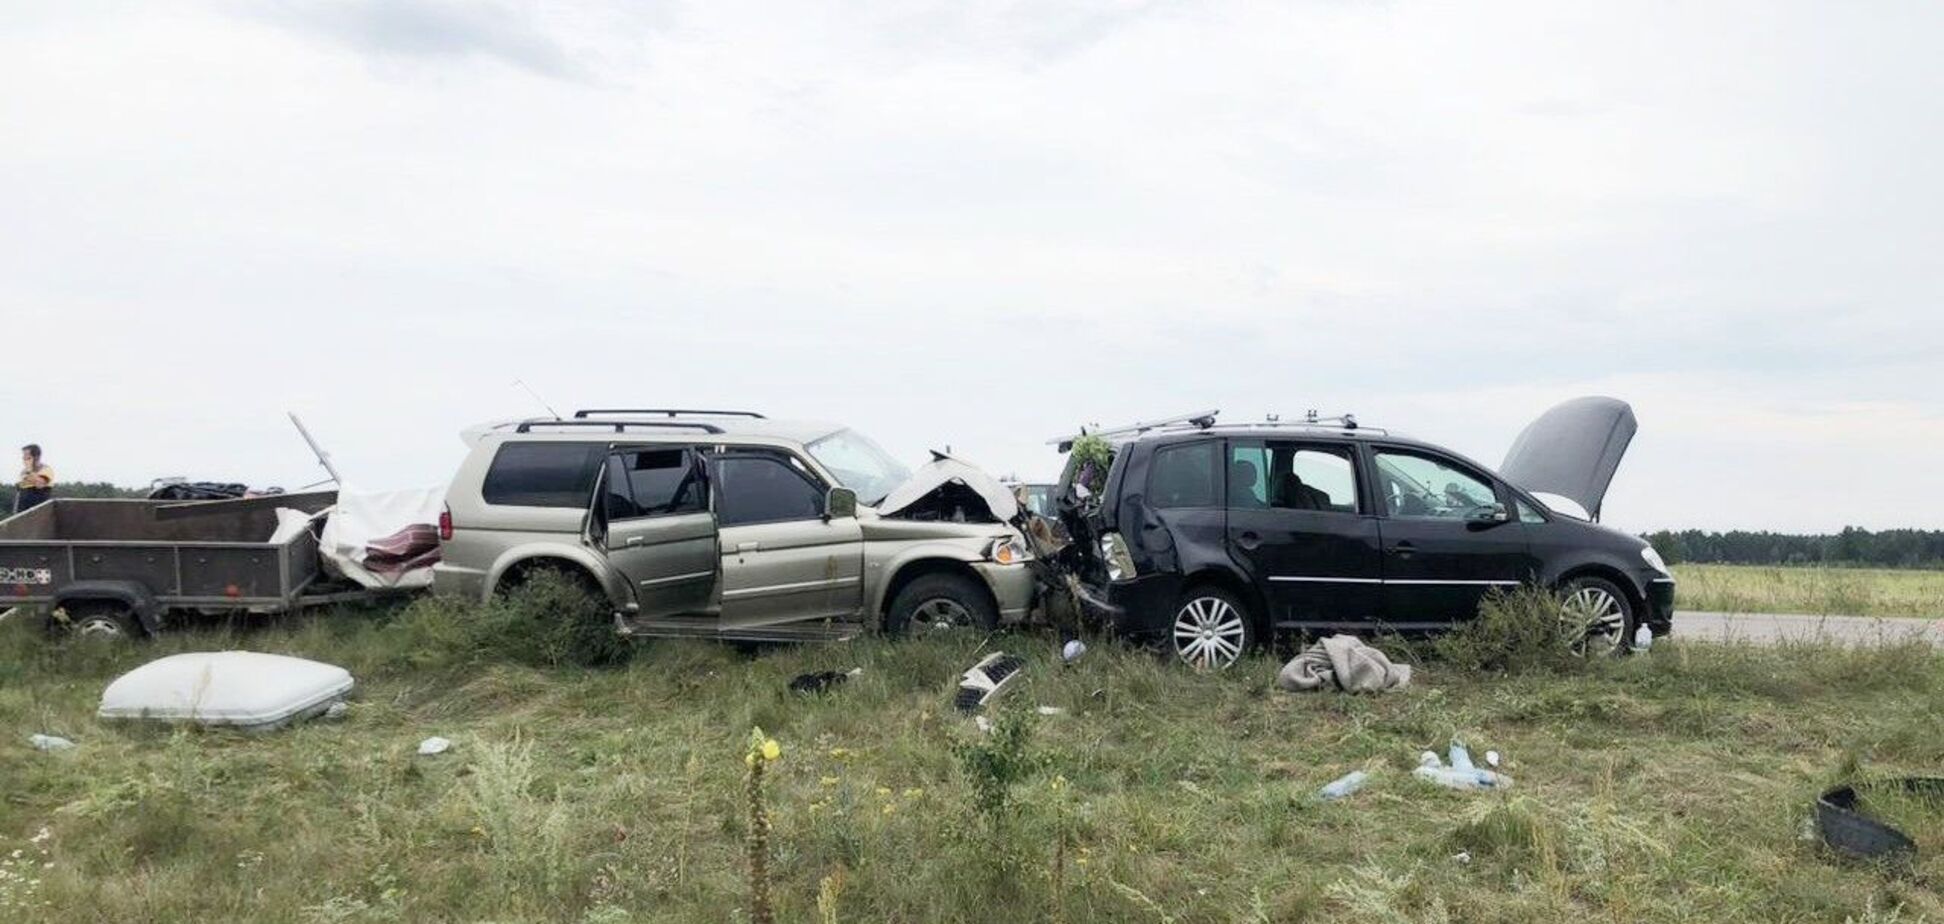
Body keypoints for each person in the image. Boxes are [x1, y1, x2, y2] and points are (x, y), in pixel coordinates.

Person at [15, 444, 54, 514]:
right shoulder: (23, 472)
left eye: (27, 456)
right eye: (23, 456)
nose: (24, 458)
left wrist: (29, 471)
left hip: (39, 512)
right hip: (23, 512)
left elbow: (40, 485)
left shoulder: (46, 469)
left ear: (36, 457)